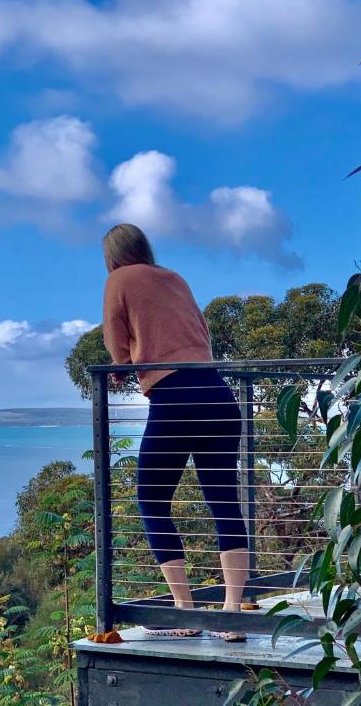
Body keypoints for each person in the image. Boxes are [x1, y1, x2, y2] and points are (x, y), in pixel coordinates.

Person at [101, 223, 249, 642]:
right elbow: (198, 333)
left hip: (175, 399)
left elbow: (117, 340)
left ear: (111, 256)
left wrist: (121, 367)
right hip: (218, 397)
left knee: (151, 500)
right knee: (223, 500)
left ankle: (184, 610)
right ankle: (232, 613)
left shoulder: (118, 280)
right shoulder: (174, 277)